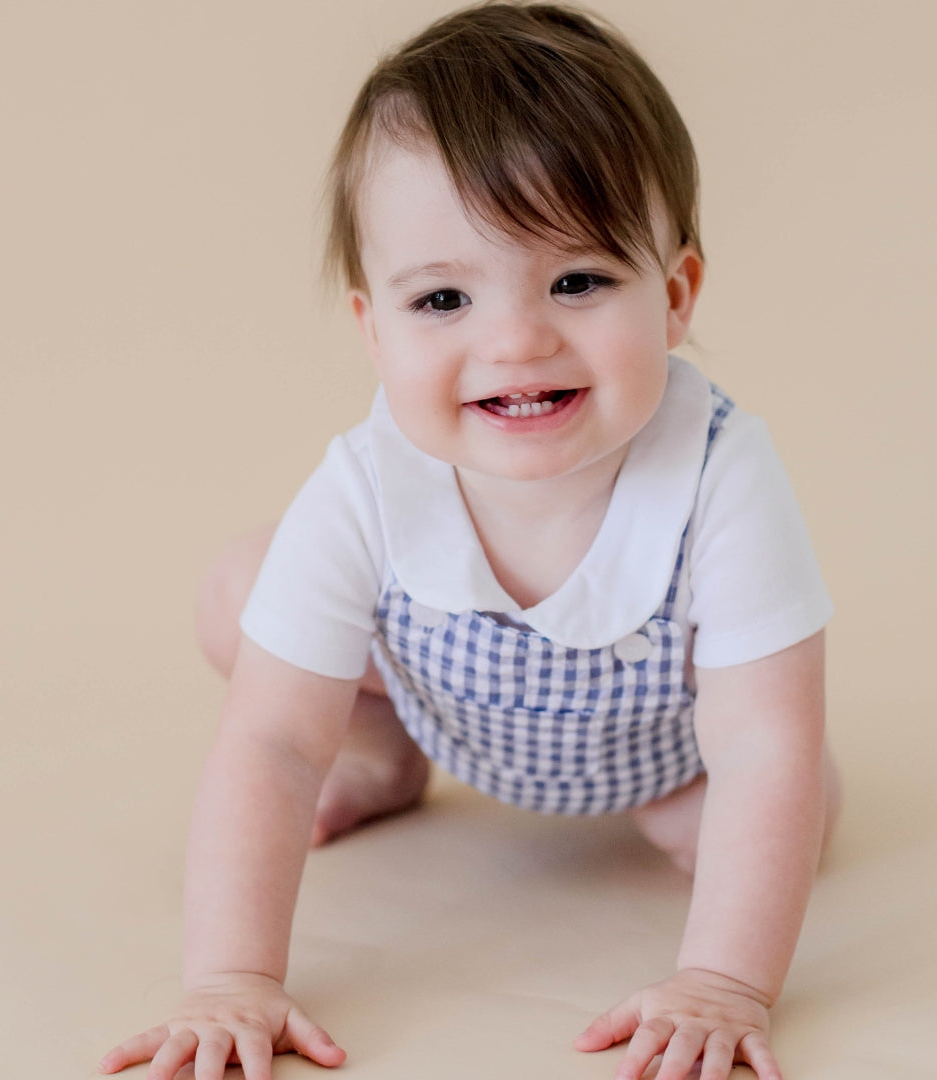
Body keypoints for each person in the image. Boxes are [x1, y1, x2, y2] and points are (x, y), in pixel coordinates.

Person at [99, 4, 841, 1079]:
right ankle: (384, 749)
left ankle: (756, 810)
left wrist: (724, 982)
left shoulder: (721, 473)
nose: (514, 341)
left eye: (578, 282)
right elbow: (267, 742)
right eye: (443, 297)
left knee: (776, 806)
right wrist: (232, 979)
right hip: (448, 709)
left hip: (665, 755)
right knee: (244, 594)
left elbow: (759, 744)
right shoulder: (370, 479)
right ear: (374, 329)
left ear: (674, 295)